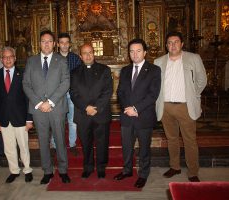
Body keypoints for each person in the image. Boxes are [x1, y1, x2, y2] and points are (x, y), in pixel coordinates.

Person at [154, 31, 207, 182]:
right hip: (166, 107)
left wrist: (193, 95)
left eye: (176, 42)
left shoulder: (193, 58)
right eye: (170, 43)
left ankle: (193, 171)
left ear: (182, 44)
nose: (173, 45)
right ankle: (175, 166)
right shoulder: (159, 61)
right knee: (172, 139)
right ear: (166, 45)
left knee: (189, 140)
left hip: (185, 106)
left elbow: (202, 80)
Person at [23, 30, 71, 184]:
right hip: (38, 109)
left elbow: (65, 83)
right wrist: (39, 103)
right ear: (39, 43)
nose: (46, 44)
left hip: (56, 108)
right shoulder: (31, 61)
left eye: (49, 41)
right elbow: (26, 84)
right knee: (43, 140)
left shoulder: (61, 60)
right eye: (43, 41)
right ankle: (47, 171)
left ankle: (63, 170)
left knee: (60, 140)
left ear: (54, 44)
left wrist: (50, 102)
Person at [114, 39, 161, 188]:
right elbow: (120, 92)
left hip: (143, 116)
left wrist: (136, 109)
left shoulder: (154, 70)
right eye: (132, 51)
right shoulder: (125, 70)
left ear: (145, 52)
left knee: (144, 148)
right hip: (127, 116)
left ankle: (143, 174)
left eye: (138, 51)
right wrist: (126, 108)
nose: (135, 54)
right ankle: (127, 170)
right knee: (126, 146)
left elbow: (153, 94)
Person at [70, 44, 113, 179]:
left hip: (101, 113)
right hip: (83, 114)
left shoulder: (104, 70)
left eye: (90, 53)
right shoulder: (74, 72)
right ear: (81, 56)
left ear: (94, 54)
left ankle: (101, 167)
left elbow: (108, 91)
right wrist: (85, 107)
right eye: (85, 53)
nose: (88, 56)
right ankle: (88, 167)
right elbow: (73, 93)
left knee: (102, 142)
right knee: (86, 143)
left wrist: (97, 108)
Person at [0, 47, 33, 183]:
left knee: (23, 146)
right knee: (9, 147)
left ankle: (27, 169)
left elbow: (28, 98)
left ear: (15, 58)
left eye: (10, 57)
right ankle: (14, 171)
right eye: (5, 57)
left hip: (20, 118)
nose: (8, 59)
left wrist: (29, 119)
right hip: (4, 118)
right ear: (1, 59)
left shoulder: (23, 73)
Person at [50, 32, 82, 156]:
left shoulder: (75, 58)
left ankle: (72, 144)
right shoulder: (53, 58)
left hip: (71, 94)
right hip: (57, 95)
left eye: (66, 42)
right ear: (58, 44)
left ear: (69, 44)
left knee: (72, 121)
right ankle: (54, 144)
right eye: (61, 42)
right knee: (57, 120)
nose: (64, 45)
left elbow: (79, 77)